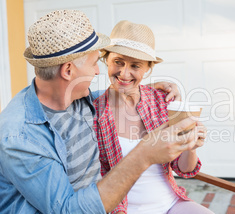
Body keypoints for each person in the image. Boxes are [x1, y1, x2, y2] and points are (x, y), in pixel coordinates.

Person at [0, 10, 200, 213]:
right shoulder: (20, 137)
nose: (98, 71)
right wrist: (144, 154)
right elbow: (68, 210)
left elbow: (115, 94)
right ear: (68, 71)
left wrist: (146, 88)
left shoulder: (78, 98)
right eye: (94, 62)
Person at [94, 20, 213, 214]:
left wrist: (190, 147)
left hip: (171, 204)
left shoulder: (161, 101)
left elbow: (184, 169)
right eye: (118, 62)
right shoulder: (93, 113)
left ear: (148, 68)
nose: (124, 73)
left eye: (135, 65)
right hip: (122, 209)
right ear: (106, 59)